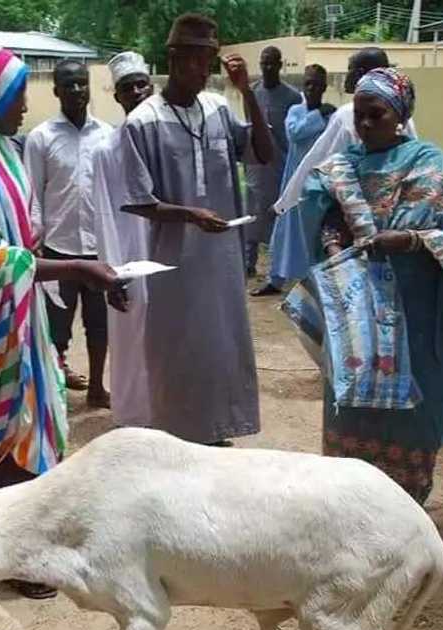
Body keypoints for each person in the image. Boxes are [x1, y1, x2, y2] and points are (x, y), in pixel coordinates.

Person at [0, 45, 121, 576]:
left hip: (18, 314)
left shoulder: (1, 150)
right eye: (13, 95)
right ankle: (9, 552)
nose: (21, 105)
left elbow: (25, 229)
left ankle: (23, 541)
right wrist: (78, 269)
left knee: (27, 420)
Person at [286, 68, 443, 506]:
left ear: (399, 114)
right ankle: (349, 513)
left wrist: (411, 239)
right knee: (353, 417)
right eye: (357, 115)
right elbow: (324, 219)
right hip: (357, 318)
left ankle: (404, 515)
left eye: (374, 114)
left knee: (411, 422)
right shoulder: (342, 168)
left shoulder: (431, 163)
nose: (363, 125)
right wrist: (333, 240)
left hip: (416, 318)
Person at [117, 13, 273, 446]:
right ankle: (177, 442)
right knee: (178, 352)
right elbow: (140, 200)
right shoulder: (143, 121)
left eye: (209, 60)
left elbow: (263, 151)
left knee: (222, 348)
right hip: (174, 268)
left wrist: (247, 93)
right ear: (172, 58)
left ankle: (219, 436)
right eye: (194, 60)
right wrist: (192, 215)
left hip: (221, 265)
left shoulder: (219, 108)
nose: (202, 70)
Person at [24, 60, 114, 407]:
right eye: (69, 85)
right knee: (56, 329)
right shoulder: (41, 138)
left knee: (99, 325)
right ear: (56, 90)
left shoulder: (106, 135)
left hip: (99, 248)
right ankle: (54, 389)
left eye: (81, 83)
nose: (76, 90)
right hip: (57, 251)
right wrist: (35, 245)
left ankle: (96, 387)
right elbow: (33, 193)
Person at [273, 48, 416, 220]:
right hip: (397, 211)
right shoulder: (401, 114)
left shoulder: (348, 114)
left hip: (358, 210)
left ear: (361, 74)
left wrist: (284, 203)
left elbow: (319, 162)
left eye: (349, 69)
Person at [91, 52, 155, 427]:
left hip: (171, 255)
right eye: (126, 87)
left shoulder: (172, 138)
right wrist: (112, 274)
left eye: (140, 84)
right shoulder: (106, 150)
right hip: (129, 258)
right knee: (132, 339)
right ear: (117, 97)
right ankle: (134, 421)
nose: (135, 92)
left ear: (152, 87)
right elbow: (103, 215)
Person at [253, 64, 334, 297]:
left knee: (314, 234)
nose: (312, 89)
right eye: (308, 83)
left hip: (318, 185)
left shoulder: (333, 116)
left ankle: (313, 283)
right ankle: (275, 279)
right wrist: (319, 114)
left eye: (317, 84)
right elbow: (296, 132)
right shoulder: (296, 111)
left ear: (324, 87)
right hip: (294, 181)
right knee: (284, 231)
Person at [242, 46, 300, 278]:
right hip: (255, 165)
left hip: (280, 166)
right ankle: (248, 263)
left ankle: (277, 270)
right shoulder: (252, 93)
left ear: (279, 65)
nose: (267, 68)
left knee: (277, 215)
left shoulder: (293, 97)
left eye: (272, 63)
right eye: (263, 63)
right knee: (252, 212)